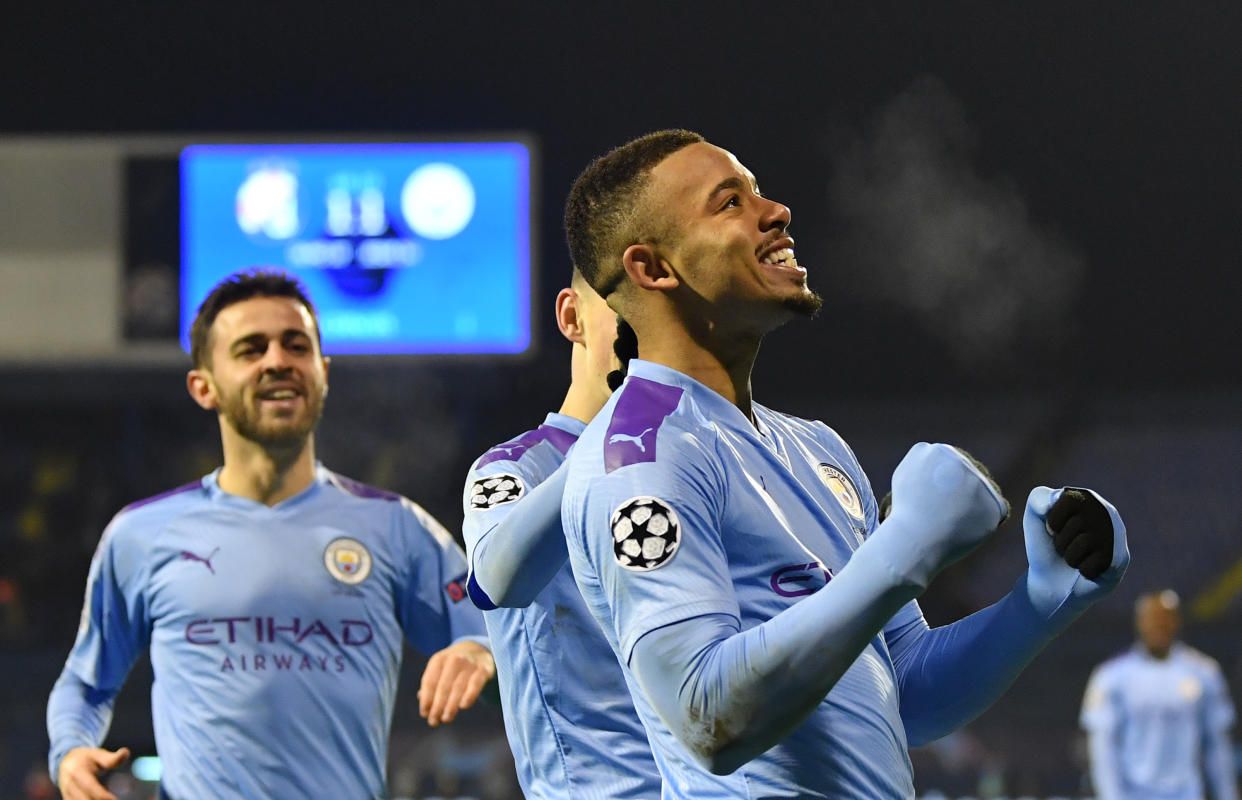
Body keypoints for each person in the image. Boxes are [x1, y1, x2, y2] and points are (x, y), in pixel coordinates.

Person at [559, 129, 1130, 798]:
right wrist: (905, 549)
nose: (776, 211)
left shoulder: (816, 449)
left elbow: (910, 695)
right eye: (729, 203)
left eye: (758, 191)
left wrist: (1039, 601)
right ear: (653, 270)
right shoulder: (640, 457)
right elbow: (707, 719)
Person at [47, 270, 496, 800]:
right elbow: (85, 682)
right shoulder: (140, 535)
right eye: (250, 349)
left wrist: (480, 651)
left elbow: (490, 635)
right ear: (203, 386)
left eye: (296, 345)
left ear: (322, 371)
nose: (277, 361)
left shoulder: (397, 527)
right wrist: (70, 752)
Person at [461, 270, 661, 797]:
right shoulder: (513, 472)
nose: (647, 324)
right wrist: (622, 423)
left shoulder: (703, 459)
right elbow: (497, 581)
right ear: (573, 317)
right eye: (625, 303)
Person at [1081, 590, 1238, 800]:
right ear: (1139, 622)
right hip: (1132, 795)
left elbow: (1218, 746)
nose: (1158, 625)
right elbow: (1102, 749)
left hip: (1187, 794)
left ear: (1177, 621)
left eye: (1165, 618)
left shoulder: (1205, 673)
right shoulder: (1111, 676)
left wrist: (1228, 795)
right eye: (1151, 618)